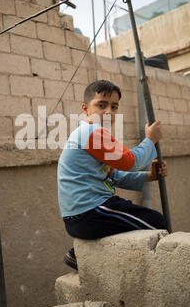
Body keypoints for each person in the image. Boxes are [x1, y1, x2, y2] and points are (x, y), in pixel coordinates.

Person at [57, 80, 168, 270]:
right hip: (90, 212)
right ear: (86, 109)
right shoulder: (91, 132)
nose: (108, 112)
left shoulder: (89, 134)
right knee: (155, 221)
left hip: (83, 216)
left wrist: (150, 175)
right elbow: (130, 161)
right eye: (101, 105)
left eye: (114, 107)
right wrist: (150, 140)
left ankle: (77, 253)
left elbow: (116, 175)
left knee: (135, 215)